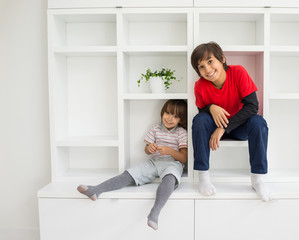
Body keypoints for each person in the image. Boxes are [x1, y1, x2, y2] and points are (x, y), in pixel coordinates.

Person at [77, 99, 188, 230]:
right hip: (154, 162)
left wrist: (169, 151)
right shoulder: (155, 128)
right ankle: (96, 190)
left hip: (172, 164)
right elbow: (146, 150)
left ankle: (155, 212)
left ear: (180, 120)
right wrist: (150, 148)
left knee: (170, 179)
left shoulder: (181, 133)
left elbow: (183, 158)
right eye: (167, 113)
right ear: (162, 112)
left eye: (175, 116)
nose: (169, 118)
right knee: (129, 174)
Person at [190, 42, 271, 201]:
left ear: (222, 59)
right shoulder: (200, 86)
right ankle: (203, 177)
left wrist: (223, 129)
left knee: (258, 122)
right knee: (199, 120)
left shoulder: (238, 72)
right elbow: (202, 111)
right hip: (214, 128)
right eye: (201, 67)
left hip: (239, 127)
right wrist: (211, 107)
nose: (207, 69)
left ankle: (257, 179)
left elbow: (252, 106)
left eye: (210, 61)